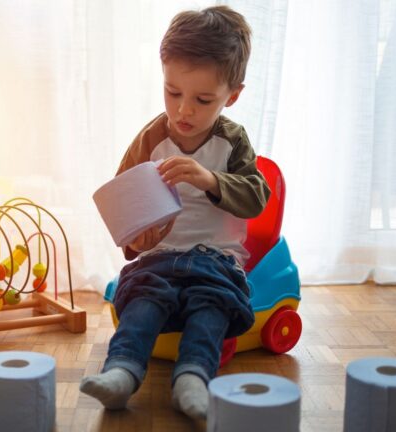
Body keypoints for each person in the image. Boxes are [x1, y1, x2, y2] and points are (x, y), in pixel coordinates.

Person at [80, 5, 271, 420]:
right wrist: (136, 239)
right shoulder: (150, 138)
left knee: (212, 304)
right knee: (144, 300)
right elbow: (121, 205)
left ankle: (192, 378)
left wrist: (210, 179)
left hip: (216, 261)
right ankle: (121, 373)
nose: (184, 110)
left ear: (232, 95)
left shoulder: (232, 142)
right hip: (158, 259)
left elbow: (258, 196)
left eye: (203, 100)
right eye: (172, 92)